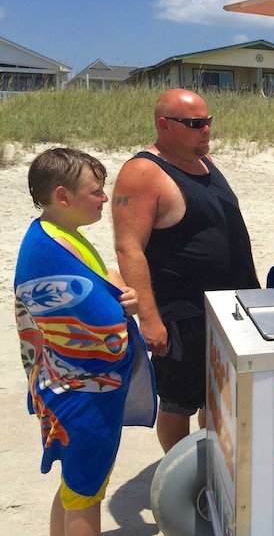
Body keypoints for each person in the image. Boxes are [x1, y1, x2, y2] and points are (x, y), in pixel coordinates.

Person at [15, 148, 155, 536]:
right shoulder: (48, 250)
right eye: (96, 191)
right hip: (81, 395)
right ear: (63, 196)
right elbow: (105, 324)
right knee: (86, 491)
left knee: (75, 487)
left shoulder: (57, 233)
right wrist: (124, 307)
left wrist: (121, 289)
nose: (105, 198)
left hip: (67, 388)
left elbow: (99, 275)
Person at [112, 88, 259, 453]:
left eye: (208, 121)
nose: (206, 129)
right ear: (165, 125)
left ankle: (212, 467)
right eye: (195, 124)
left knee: (219, 395)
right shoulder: (144, 172)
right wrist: (149, 319)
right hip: (183, 311)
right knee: (179, 401)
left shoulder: (203, 161)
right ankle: (178, 475)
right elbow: (128, 247)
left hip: (231, 308)